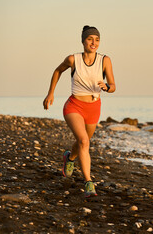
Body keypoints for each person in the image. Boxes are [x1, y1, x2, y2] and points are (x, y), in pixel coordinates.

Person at [43, 25, 116, 197]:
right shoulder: (73, 59)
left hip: (94, 107)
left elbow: (113, 86)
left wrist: (107, 87)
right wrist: (51, 93)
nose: (94, 42)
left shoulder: (105, 60)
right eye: (90, 39)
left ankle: (70, 158)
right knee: (84, 141)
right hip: (74, 105)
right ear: (83, 40)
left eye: (97, 39)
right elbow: (57, 70)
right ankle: (89, 183)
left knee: (82, 142)